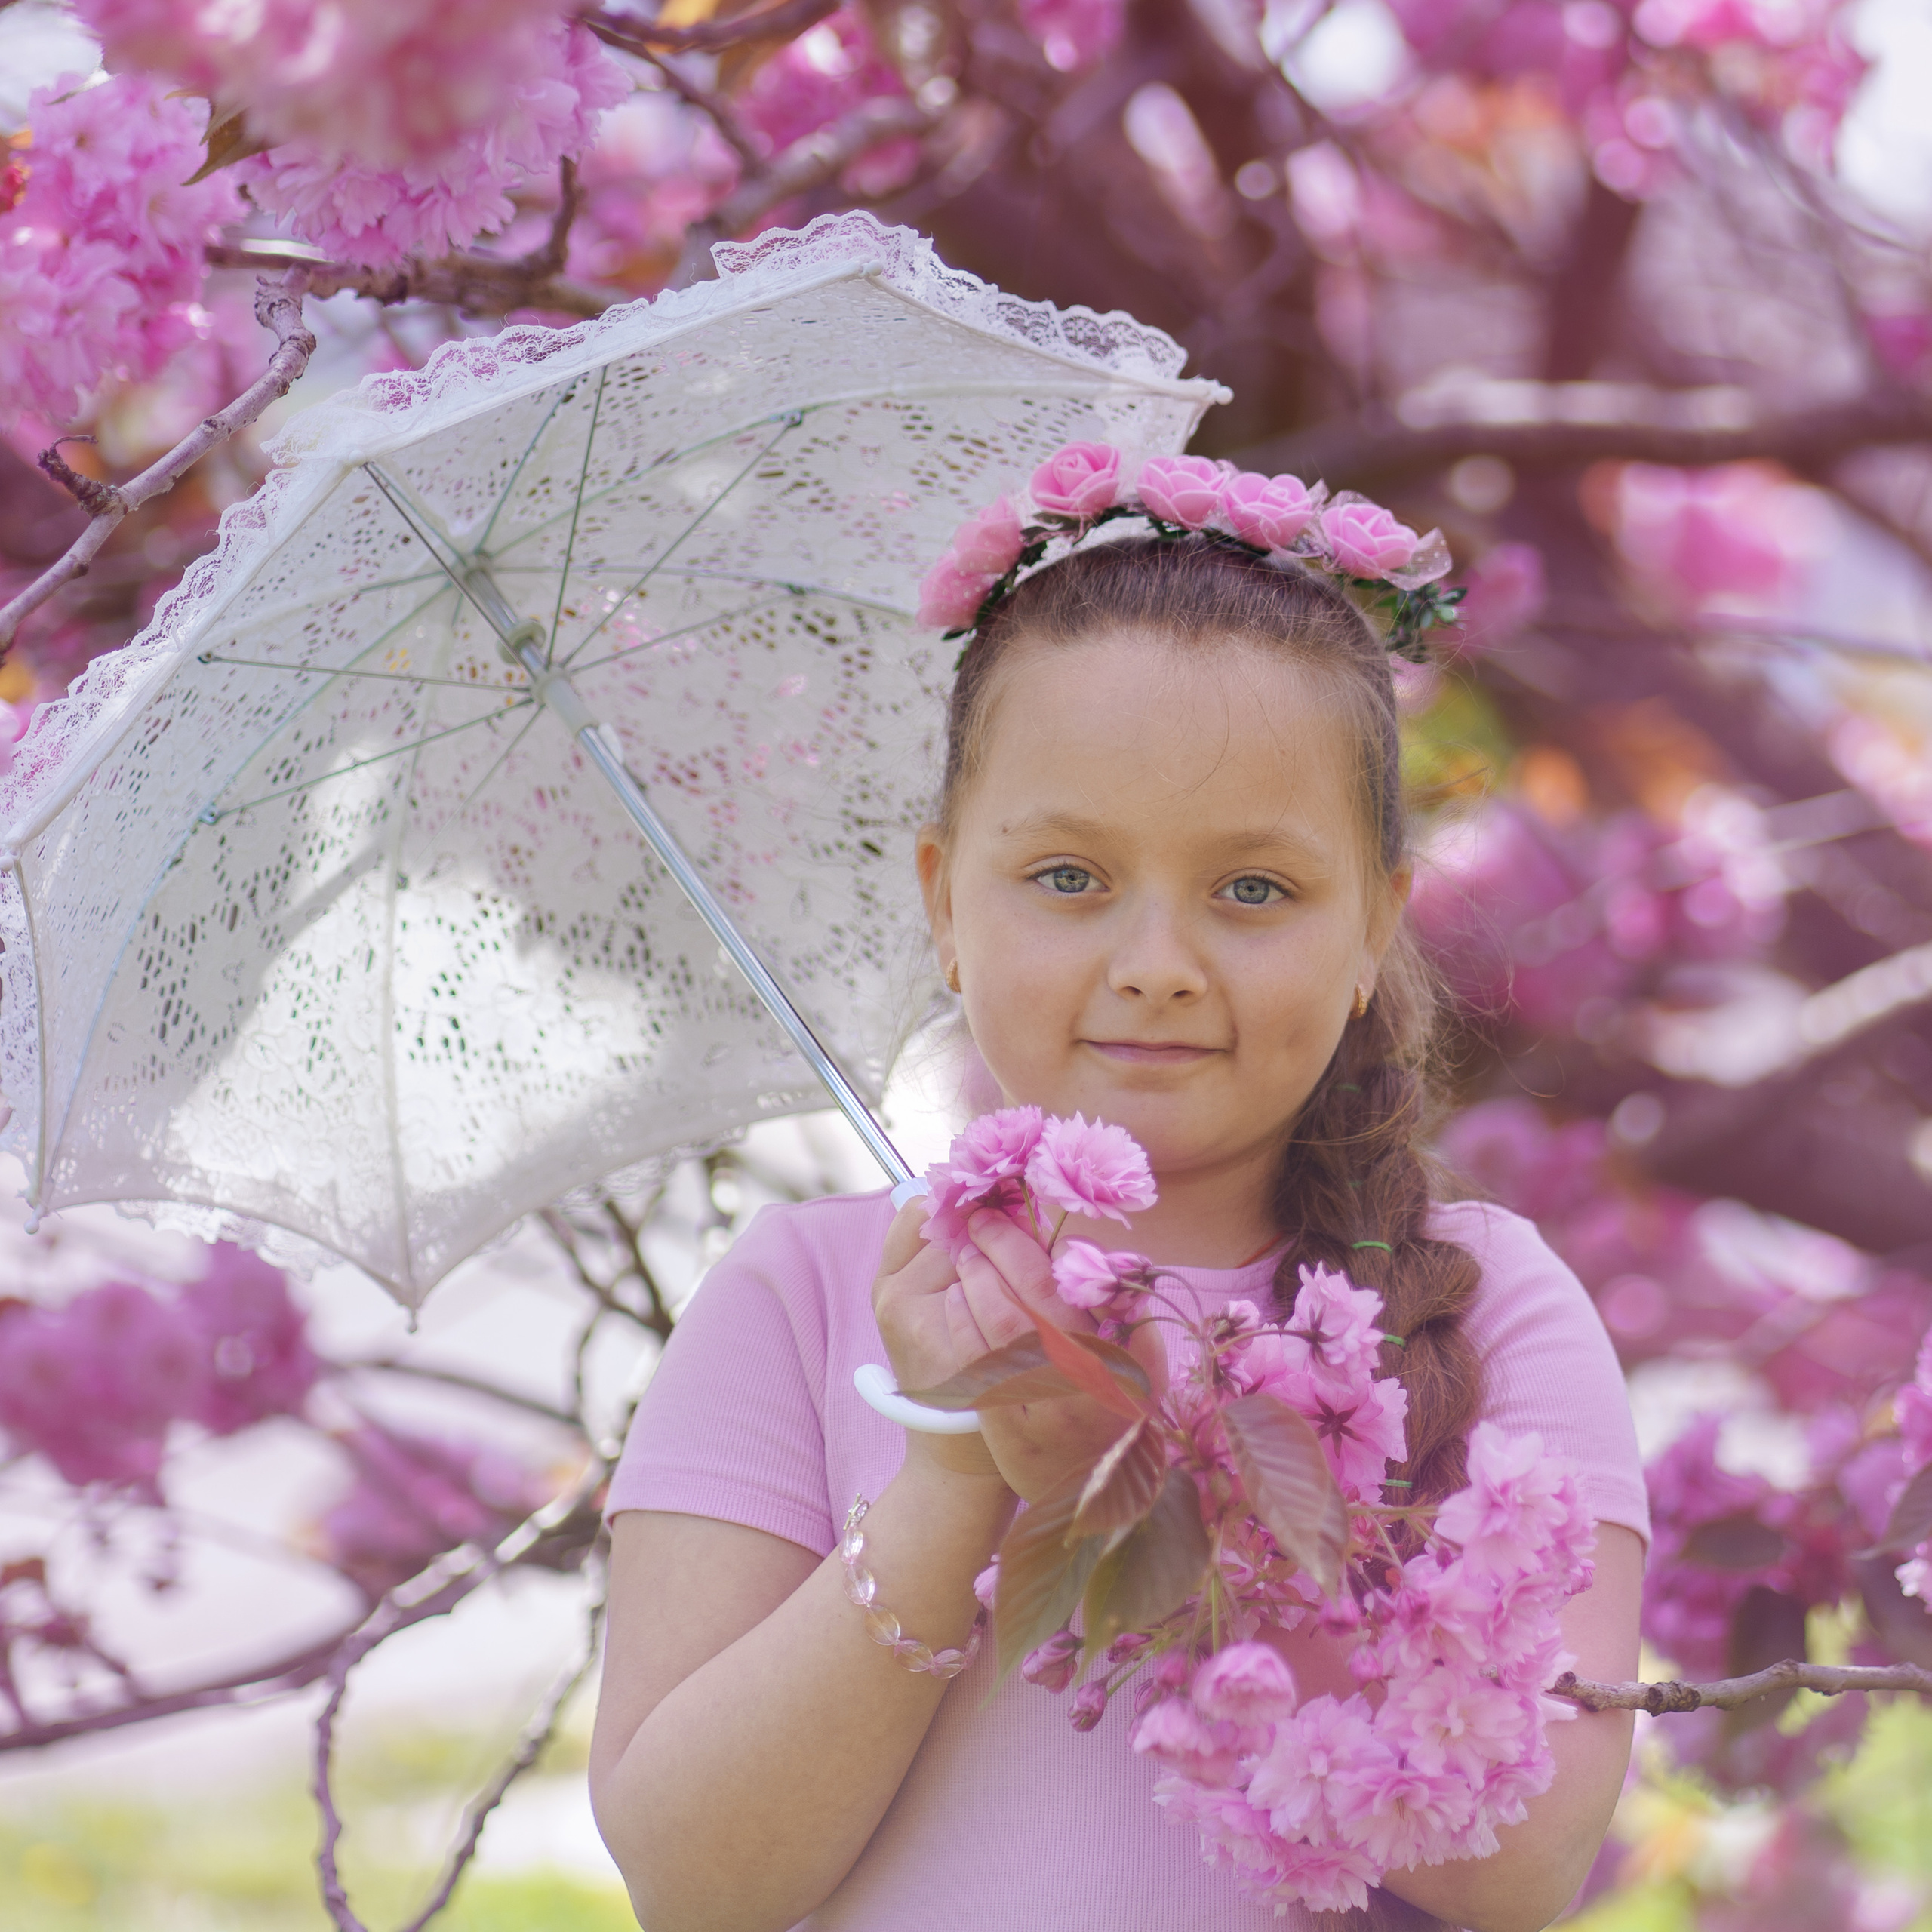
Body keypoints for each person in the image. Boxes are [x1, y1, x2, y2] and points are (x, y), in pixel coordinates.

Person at [588, 520, 1648, 1932]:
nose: (1155, 967)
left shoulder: (1492, 1301)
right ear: (945, 901)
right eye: (1069, 879)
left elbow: (1521, 1871)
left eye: (1254, 890)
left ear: (1373, 932)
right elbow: (692, 1879)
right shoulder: (800, 1295)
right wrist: (956, 1470)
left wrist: (1175, 1473)